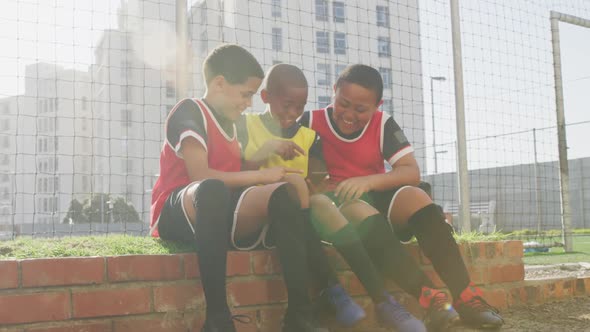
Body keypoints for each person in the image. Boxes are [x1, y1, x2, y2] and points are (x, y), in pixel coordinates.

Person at [299, 64, 505, 331]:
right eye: (343, 103)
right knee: (357, 208)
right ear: (334, 91)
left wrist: (368, 180)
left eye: (361, 109)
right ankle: (430, 298)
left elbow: (411, 171)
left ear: (377, 105)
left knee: (417, 196)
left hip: (375, 197)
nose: (349, 114)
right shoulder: (309, 122)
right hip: (339, 210)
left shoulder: (382, 123)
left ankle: (466, 296)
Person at [150, 44, 327, 332]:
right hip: (177, 210)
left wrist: (268, 160)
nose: (248, 103)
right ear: (219, 83)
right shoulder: (189, 110)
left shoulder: (233, 124)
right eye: (246, 94)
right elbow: (200, 174)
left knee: (283, 194)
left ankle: (299, 316)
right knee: (212, 189)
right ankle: (218, 319)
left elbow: (237, 170)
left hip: (220, 209)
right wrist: (264, 176)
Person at [237, 63, 425, 332]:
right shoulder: (246, 124)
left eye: (299, 107)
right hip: (261, 214)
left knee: (321, 202)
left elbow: (317, 185)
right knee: (292, 188)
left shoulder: (309, 136)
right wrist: (267, 150)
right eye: (286, 105)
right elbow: (239, 174)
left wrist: (315, 185)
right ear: (265, 98)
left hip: (300, 214)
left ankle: (381, 301)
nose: (292, 114)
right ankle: (334, 291)